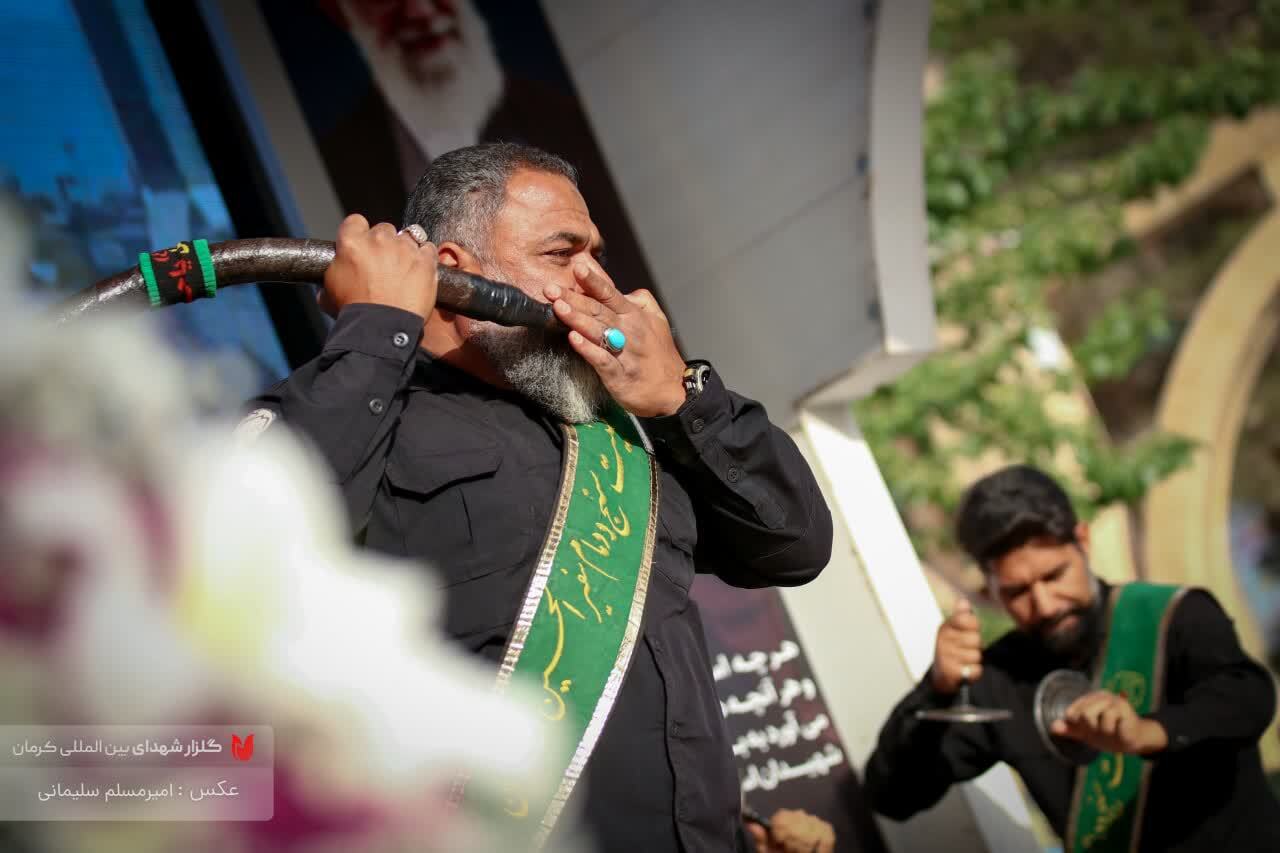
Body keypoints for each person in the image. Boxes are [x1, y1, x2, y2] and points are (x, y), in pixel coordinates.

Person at [243, 142, 834, 852]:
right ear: (454, 272)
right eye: (562, 254)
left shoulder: (623, 424)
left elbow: (794, 544)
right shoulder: (362, 408)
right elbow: (240, 559)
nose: (597, 282)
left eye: (596, 255)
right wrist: (375, 329)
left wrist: (682, 397)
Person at [864, 464, 1280, 852]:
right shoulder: (1001, 678)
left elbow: (1249, 698)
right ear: (989, 589)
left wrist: (1148, 732)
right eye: (1017, 592)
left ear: (1082, 541)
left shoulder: (1171, 616)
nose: (1045, 605)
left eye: (1054, 575)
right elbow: (893, 795)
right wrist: (936, 688)